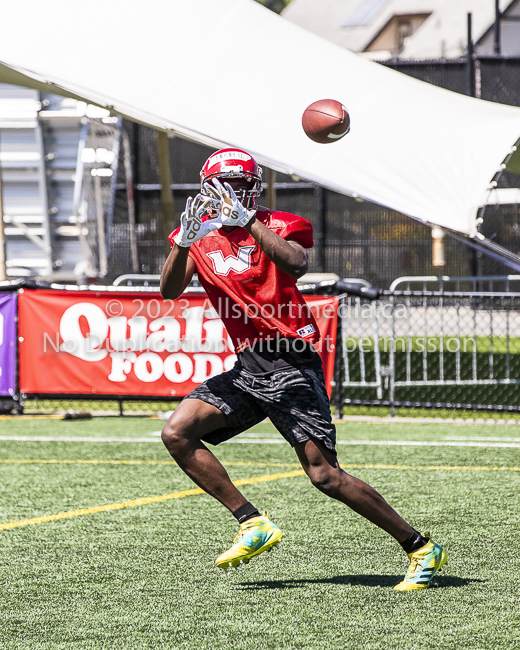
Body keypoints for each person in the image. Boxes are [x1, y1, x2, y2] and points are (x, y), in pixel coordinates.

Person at [160, 148, 446, 590]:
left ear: (253, 188)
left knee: (324, 475)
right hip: (249, 367)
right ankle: (252, 522)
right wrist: (183, 242)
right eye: (225, 185)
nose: (233, 193)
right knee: (178, 432)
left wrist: (249, 221)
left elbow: (296, 263)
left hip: (290, 361)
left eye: (241, 185)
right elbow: (169, 290)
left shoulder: (278, 222)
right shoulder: (198, 233)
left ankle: (420, 547)